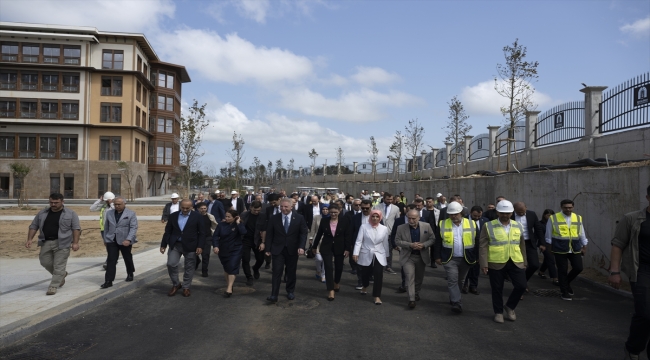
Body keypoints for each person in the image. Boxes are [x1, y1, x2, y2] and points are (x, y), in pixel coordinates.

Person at [609, 185, 650, 360]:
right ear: (648, 198)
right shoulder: (632, 219)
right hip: (642, 271)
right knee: (645, 314)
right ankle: (633, 349)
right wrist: (615, 271)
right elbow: (618, 244)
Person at [479, 200, 527, 323]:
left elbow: (522, 245)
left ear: (512, 213)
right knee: (497, 288)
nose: (505, 215)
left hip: (515, 260)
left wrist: (524, 261)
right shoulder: (488, 226)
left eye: (508, 213)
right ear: (497, 212)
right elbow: (483, 246)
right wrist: (484, 264)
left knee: (522, 285)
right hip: (496, 261)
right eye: (502, 213)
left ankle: (510, 306)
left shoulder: (518, 225)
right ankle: (498, 312)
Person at [26, 193, 81, 295]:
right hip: (45, 241)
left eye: (56, 202)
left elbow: (76, 229)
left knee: (58, 265)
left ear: (62, 202)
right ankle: (62, 275)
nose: (53, 204)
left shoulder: (71, 214)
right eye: (51, 202)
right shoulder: (42, 213)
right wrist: (29, 239)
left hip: (63, 243)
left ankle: (53, 286)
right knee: (44, 261)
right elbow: (34, 226)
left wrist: (75, 242)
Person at [434, 202, 478, 313]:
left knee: (460, 280)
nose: (453, 216)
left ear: (461, 213)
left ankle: (454, 297)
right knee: (452, 280)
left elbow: (477, 242)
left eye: (456, 214)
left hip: (466, 258)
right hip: (449, 258)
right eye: (451, 214)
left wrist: (477, 257)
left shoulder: (472, 224)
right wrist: (437, 256)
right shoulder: (442, 224)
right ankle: (456, 303)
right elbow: (438, 242)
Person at [265, 198, 309, 303]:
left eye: (286, 207)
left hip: (292, 249)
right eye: (281, 207)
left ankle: (290, 291)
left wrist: (301, 247)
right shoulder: (274, 218)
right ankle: (274, 294)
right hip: (277, 249)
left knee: (291, 272)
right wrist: (268, 248)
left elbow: (303, 233)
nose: (283, 209)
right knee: (276, 272)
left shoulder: (299, 218)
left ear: (291, 207)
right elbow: (269, 234)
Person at [160, 199, 206, 297]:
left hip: (191, 245)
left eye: (187, 208)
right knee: (171, 264)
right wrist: (163, 245)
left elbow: (202, 233)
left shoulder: (197, 217)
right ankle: (176, 284)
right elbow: (167, 231)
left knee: (189, 267)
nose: (185, 210)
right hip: (175, 244)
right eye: (183, 208)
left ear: (192, 207)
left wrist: (200, 246)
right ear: (180, 206)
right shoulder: (173, 216)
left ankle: (186, 287)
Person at [546, 199, 588, 300]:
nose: (568, 209)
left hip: (575, 247)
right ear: (561, 207)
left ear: (573, 207)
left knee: (578, 268)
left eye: (570, 207)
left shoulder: (577, 217)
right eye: (565, 207)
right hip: (559, 248)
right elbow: (548, 234)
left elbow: (581, 232)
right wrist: (549, 248)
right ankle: (564, 291)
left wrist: (584, 245)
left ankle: (565, 282)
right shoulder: (553, 218)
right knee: (562, 270)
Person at [395, 209, 435, 309]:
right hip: (408, 257)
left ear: (419, 218)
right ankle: (411, 299)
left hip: (421, 256)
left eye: (413, 218)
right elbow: (397, 241)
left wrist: (424, 245)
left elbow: (432, 239)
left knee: (419, 278)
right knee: (409, 277)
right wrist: (410, 245)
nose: (411, 220)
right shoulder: (401, 228)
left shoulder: (426, 226)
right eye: (409, 218)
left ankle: (416, 292)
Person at [312, 204, 352, 301]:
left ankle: (336, 282)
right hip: (326, 246)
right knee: (328, 267)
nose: (333, 214)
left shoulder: (344, 221)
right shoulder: (324, 220)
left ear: (339, 211)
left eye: (335, 212)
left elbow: (348, 236)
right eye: (331, 212)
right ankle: (330, 289)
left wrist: (347, 249)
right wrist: (314, 246)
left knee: (339, 267)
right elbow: (319, 234)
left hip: (340, 247)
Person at [353, 209, 390, 305]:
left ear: (380, 218)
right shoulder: (364, 227)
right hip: (366, 251)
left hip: (379, 253)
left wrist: (387, 256)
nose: (375, 218)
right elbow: (359, 241)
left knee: (378, 273)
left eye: (377, 216)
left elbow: (385, 243)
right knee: (365, 272)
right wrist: (355, 253)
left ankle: (377, 296)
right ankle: (365, 285)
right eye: (373, 216)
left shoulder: (384, 228)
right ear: (370, 217)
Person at [101, 197, 137, 289]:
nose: (117, 206)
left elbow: (133, 228)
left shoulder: (130, 214)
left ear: (124, 204)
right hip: (111, 240)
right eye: (115, 204)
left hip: (125, 240)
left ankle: (130, 273)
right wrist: (106, 239)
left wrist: (128, 239)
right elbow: (106, 227)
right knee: (111, 260)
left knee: (127, 257)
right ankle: (108, 280)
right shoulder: (109, 213)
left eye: (119, 204)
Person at [512, 202, 545, 297]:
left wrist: (542, 243)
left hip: (529, 243)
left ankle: (523, 282)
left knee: (534, 265)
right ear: (514, 210)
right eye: (519, 212)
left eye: (523, 211)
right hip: (516, 244)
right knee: (519, 267)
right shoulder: (510, 216)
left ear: (526, 207)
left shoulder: (532, 214)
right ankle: (520, 288)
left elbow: (538, 228)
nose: (521, 214)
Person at [213, 209, 247, 297]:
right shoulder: (221, 225)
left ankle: (229, 288)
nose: (227, 218)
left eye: (229, 217)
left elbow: (244, 232)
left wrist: (238, 223)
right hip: (223, 249)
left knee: (232, 266)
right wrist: (216, 246)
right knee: (227, 268)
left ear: (235, 217)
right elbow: (216, 236)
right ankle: (229, 285)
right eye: (226, 216)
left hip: (236, 249)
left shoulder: (238, 225)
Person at [462, 206, 489, 295]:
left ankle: (473, 286)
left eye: (479, 216)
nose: (477, 218)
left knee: (475, 270)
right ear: (470, 212)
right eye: (475, 216)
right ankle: (464, 285)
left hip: (479, 249)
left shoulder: (485, 221)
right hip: (466, 249)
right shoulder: (463, 220)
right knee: (465, 269)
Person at [239, 201, 266, 285]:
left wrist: (263, 242)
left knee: (260, 259)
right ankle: (249, 277)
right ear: (251, 207)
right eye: (255, 210)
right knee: (245, 259)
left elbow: (264, 230)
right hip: (245, 240)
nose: (256, 212)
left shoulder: (262, 216)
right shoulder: (244, 215)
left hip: (257, 240)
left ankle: (255, 268)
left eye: (258, 210)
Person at [373, 192, 400, 274]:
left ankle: (388, 267)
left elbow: (397, 220)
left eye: (391, 199)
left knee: (389, 250)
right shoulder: (377, 207)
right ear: (384, 198)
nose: (390, 201)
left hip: (390, 232)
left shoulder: (396, 208)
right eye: (388, 199)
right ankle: (377, 266)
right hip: (378, 232)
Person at [89, 191, 115, 270]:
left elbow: (114, 210)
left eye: (107, 200)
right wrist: (99, 200)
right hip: (104, 229)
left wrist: (111, 203)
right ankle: (111, 259)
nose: (106, 201)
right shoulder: (103, 206)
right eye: (106, 200)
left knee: (111, 245)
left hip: (112, 230)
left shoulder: (114, 206)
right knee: (107, 245)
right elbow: (92, 208)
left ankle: (109, 261)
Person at [537, 209, 559, 286]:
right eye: (548, 215)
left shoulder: (556, 223)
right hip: (544, 244)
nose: (550, 217)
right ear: (544, 215)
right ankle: (555, 278)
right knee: (551, 260)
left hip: (554, 244)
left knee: (547, 259)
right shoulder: (540, 224)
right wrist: (540, 244)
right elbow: (539, 235)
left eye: (551, 215)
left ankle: (541, 272)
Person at [196, 202, 217, 277]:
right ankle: (197, 261)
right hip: (196, 238)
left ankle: (204, 270)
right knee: (194, 254)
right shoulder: (195, 217)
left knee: (205, 255)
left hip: (207, 237)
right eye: (201, 209)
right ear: (198, 209)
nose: (203, 210)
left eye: (205, 208)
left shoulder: (210, 216)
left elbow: (214, 226)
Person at [309, 204, 329, 283]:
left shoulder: (331, 218)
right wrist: (311, 237)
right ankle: (318, 270)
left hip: (327, 240)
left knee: (325, 259)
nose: (325, 211)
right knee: (318, 258)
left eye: (327, 209)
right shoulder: (316, 217)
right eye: (323, 209)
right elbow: (313, 228)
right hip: (317, 239)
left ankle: (323, 275)